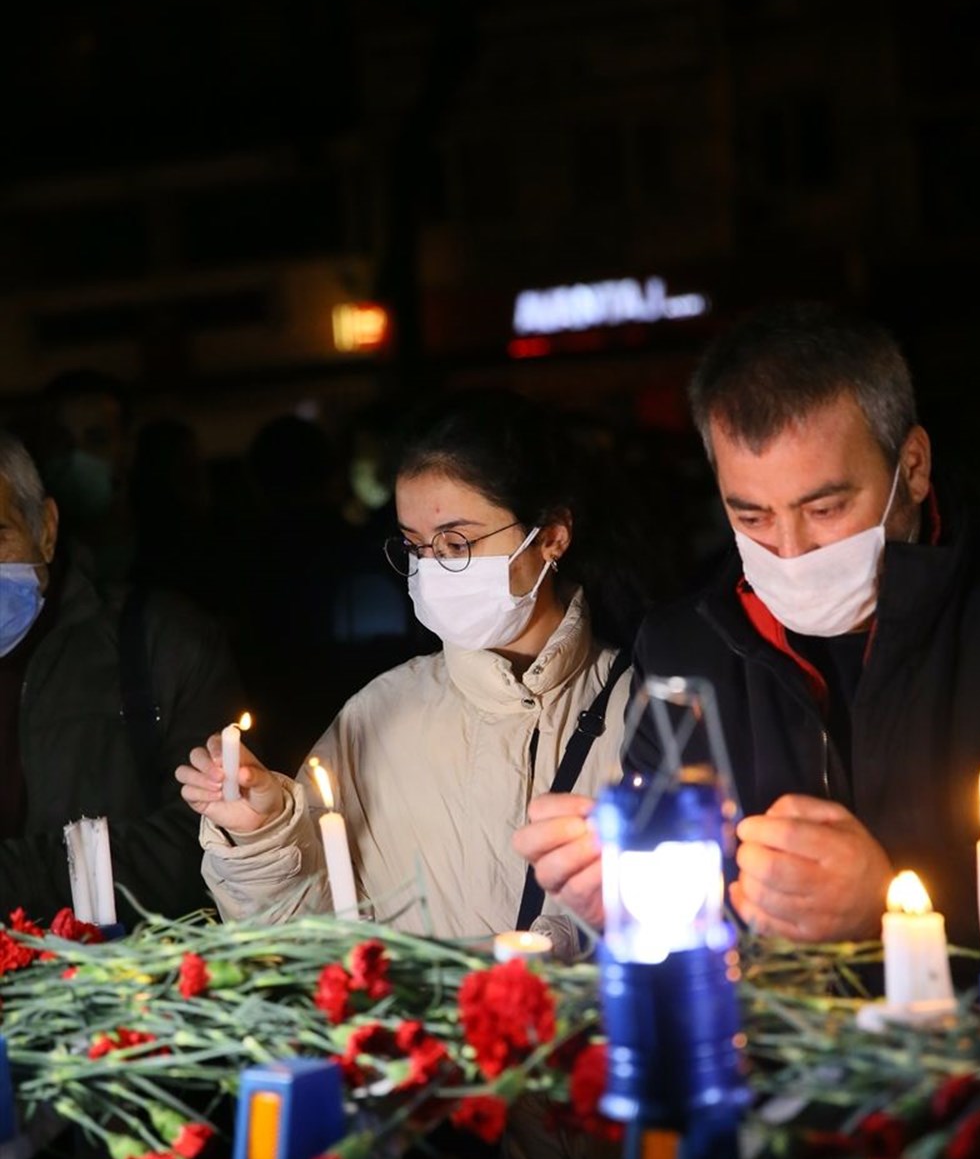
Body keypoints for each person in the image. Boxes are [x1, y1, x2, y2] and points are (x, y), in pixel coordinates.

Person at [514, 302, 980, 952]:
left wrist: (896, 911)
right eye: (752, 516)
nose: (790, 552)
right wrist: (633, 910)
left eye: (825, 507)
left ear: (911, 467)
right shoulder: (685, 649)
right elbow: (697, 922)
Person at [176, 388, 645, 944]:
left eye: (457, 543)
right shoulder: (379, 712)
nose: (434, 568)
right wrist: (263, 835)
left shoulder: (643, 710)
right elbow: (300, 940)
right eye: (417, 547)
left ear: (551, 537)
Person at [0, 430, 243, 924]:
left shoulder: (161, 646)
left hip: (121, 984)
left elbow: (208, 840)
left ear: (44, 528)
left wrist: (14, 878)